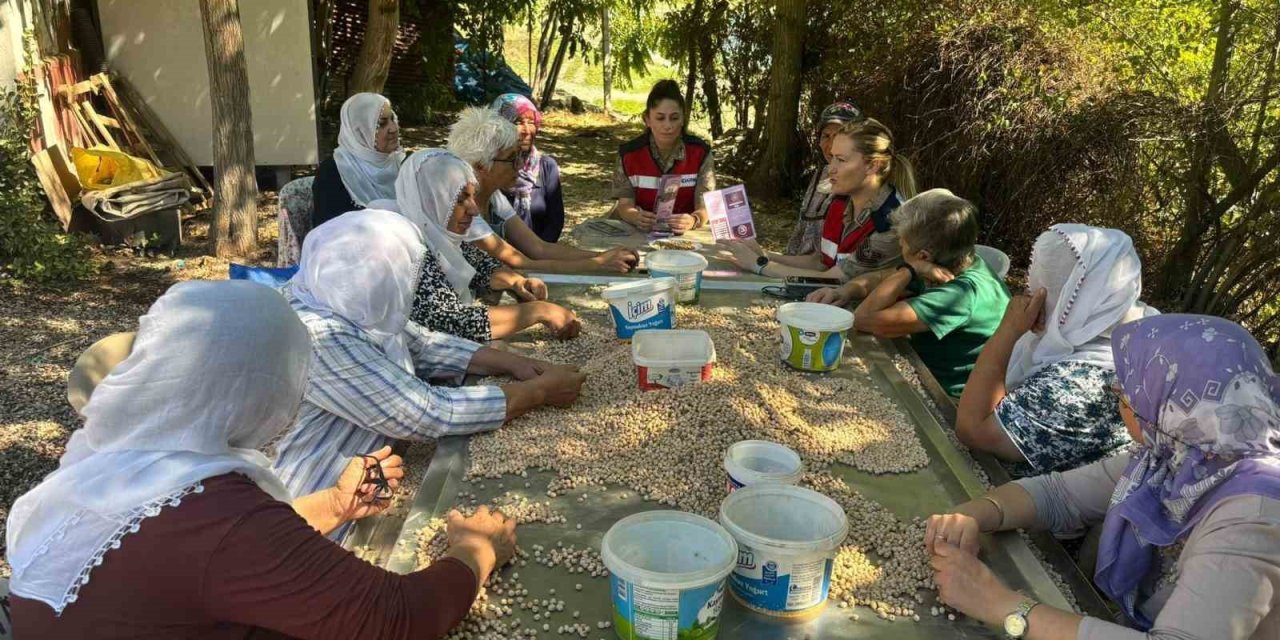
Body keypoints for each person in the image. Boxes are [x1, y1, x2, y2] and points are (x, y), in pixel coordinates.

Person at [5, 280, 519, 639]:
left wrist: (333, 505)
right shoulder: (224, 516)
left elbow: (192, 556)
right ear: (257, 389)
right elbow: (397, 616)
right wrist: (475, 551)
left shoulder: (115, 462)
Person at [923, 314, 1280, 639]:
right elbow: (1060, 494)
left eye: (1126, 395)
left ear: (1168, 410)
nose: (1119, 402)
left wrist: (1001, 605)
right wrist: (976, 513)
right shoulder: (1179, 456)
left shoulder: (1254, 520)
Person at [272, 209, 586, 520]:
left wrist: (514, 362)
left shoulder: (341, 296)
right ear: (375, 272)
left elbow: (422, 343)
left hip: (367, 483)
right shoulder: (319, 336)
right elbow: (427, 412)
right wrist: (539, 392)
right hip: (317, 503)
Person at [955, 225, 1158, 475]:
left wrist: (1007, 332)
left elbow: (972, 430)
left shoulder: (1078, 386)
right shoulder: (1125, 319)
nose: (1033, 295)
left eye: (1047, 287)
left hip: (1016, 498)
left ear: (1079, 297)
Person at [816, 189, 1009, 397]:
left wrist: (909, 270)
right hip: (920, 370)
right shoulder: (959, 260)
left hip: (945, 399)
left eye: (902, 243)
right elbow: (883, 277)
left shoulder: (959, 296)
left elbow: (863, 319)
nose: (900, 247)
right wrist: (847, 290)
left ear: (924, 256)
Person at [395, 148, 581, 342]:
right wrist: (538, 311)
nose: (474, 209)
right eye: (460, 200)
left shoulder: (443, 237)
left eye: (472, 197)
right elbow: (452, 321)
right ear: (431, 201)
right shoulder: (407, 249)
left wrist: (518, 282)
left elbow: (483, 266)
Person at [445, 107, 638, 274]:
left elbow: (538, 248)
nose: (520, 165)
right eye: (512, 158)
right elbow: (522, 264)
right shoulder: (463, 212)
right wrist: (599, 264)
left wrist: (604, 256)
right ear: (481, 167)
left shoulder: (493, 196)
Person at [721, 117, 916, 282]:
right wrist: (763, 254)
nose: (831, 168)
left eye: (841, 160)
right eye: (832, 158)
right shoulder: (839, 203)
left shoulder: (890, 223)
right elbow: (821, 262)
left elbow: (834, 279)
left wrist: (759, 264)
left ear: (873, 166)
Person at [611, 79, 716, 234]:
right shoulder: (628, 155)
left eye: (674, 118)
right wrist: (635, 217)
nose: (668, 126)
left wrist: (694, 220)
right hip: (637, 233)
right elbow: (624, 205)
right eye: (660, 118)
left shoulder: (700, 153)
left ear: (683, 119)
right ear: (647, 120)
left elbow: (705, 207)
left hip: (686, 236)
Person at [785, 100, 866, 256]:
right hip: (798, 272)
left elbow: (829, 264)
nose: (831, 145)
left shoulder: (862, 187)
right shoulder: (821, 174)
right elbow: (800, 234)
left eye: (839, 136)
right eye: (826, 136)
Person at [312, 92, 403, 228]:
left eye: (392, 119)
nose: (394, 128)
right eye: (382, 124)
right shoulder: (334, 171)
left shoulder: (401, 162)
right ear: (359, 131)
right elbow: (328, 231)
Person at [491, 93, 566, 242]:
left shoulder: (546, 166)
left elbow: (555, 222)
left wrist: (537, 258)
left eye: (531, 122)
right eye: (518, 122)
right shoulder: (489, 165)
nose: (526, 130)